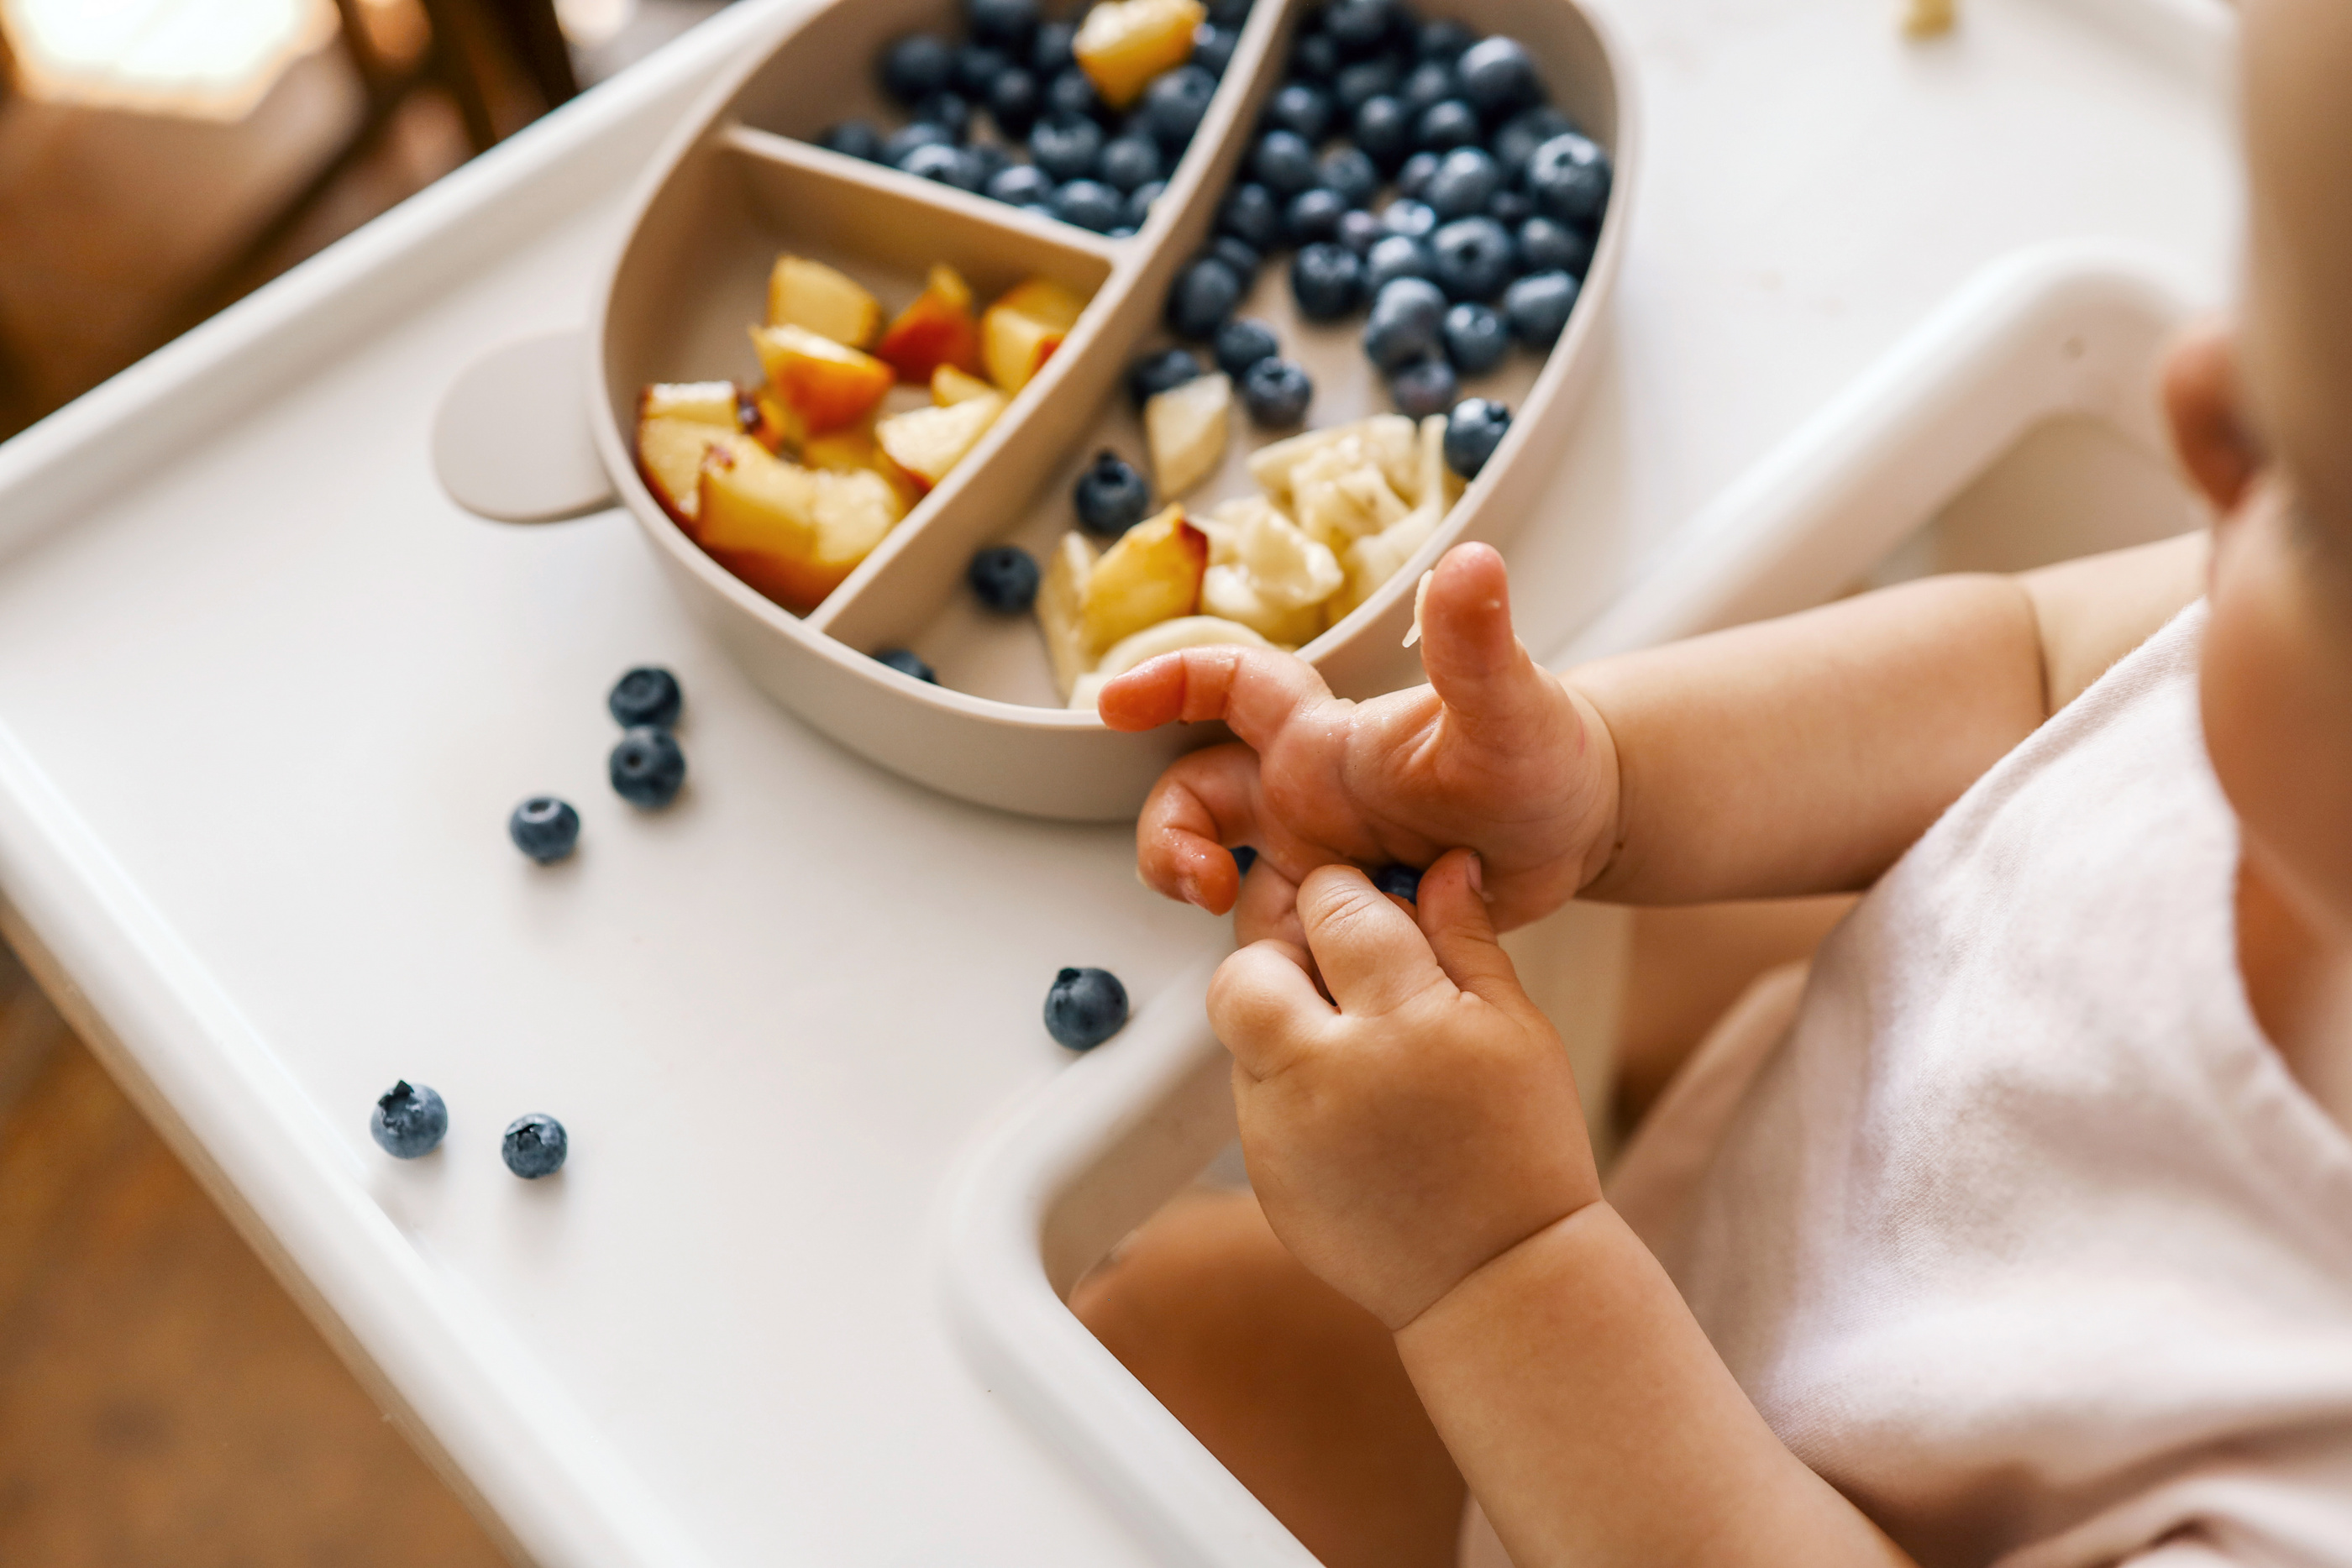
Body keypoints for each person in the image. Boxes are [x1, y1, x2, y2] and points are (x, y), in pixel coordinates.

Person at [1068, 1, 2352, 1562]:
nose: (2192, 398)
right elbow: (2029, 663)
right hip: (1753, 1187)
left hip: (1624, 1468)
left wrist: (1497, 1262)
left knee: (1138, 1349)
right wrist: (1604, 780)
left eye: (2308, 496)